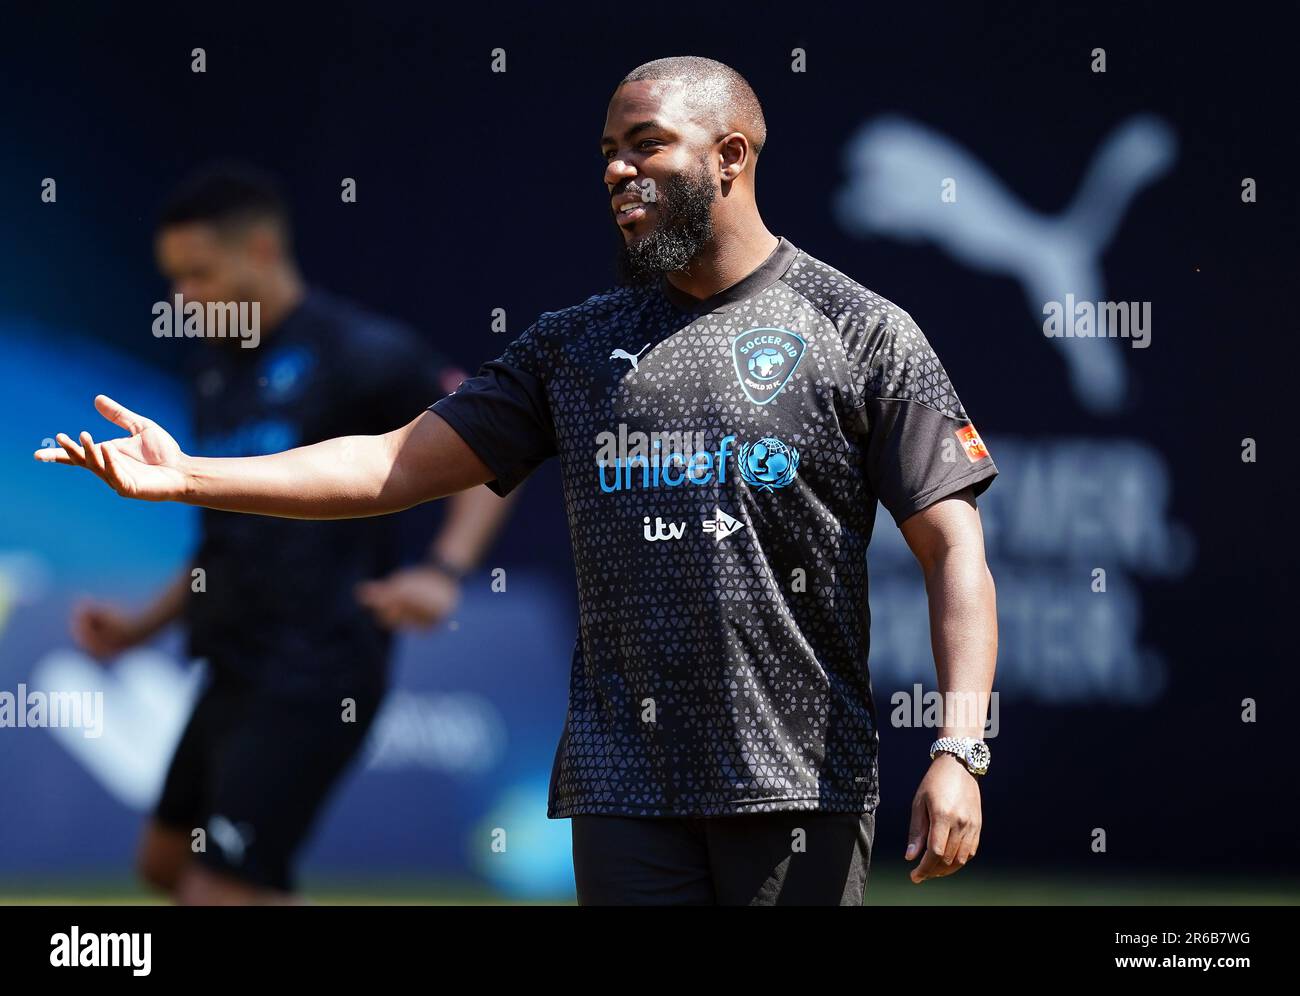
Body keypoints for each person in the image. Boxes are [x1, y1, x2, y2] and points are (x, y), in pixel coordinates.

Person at [40, 58, 998, 906]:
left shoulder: (862, 329)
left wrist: (958, 749)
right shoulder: (575, 347)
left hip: (795, 781)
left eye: (647, 144)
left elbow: (954, 549)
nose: (618, 170)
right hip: (622, 785)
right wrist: (188, 476)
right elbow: (387, 463)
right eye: (608, 152)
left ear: (732, 157)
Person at [66, 166, 516, 905]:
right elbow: (228, 538)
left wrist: (444, 570)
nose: (183, 299)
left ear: (264, 250)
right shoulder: (213, 371)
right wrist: (140, 627)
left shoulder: (363, 352)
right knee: (163, 865)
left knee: (218, 891)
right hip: (233, 660)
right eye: (173, 280)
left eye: (199, 273)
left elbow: (501, 444)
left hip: (319, 664)